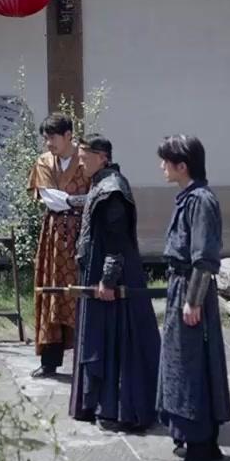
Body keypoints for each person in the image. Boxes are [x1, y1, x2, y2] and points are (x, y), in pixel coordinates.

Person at [69, 135, 161, 433]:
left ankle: (120, 409)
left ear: (102, 157)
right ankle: (96, 403)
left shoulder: (113, 190)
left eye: (85, 156)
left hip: (113, 277)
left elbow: (117, 241)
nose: (80, 161)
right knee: (98, 336)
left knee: (116, 341)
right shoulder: (100, 182)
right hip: (96, 270)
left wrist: (107, 280)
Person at [156, 134, 230, 461]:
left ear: (181, 165)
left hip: (190, 291)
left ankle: (200, 451)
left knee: (190, 369)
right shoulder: (188, 198)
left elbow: (204, 258)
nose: (162, 167)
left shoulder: (200, 201)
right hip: (181, 289)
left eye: (166, 162)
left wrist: (192, 300)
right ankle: (203, 442)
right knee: (188, 365)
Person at [28, 113, 89, 379]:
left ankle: (85, 360)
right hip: (53, 234)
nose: (48, 143)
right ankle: (50, 361)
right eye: (46, 138)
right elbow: (49, 198)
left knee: (81, 292)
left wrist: (74, 200)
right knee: (52, 292)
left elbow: (95, 196)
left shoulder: (85, 160)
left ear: (68, 136)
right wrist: (76, 199)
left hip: (82, 234)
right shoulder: (44, 162)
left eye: (53, 137)